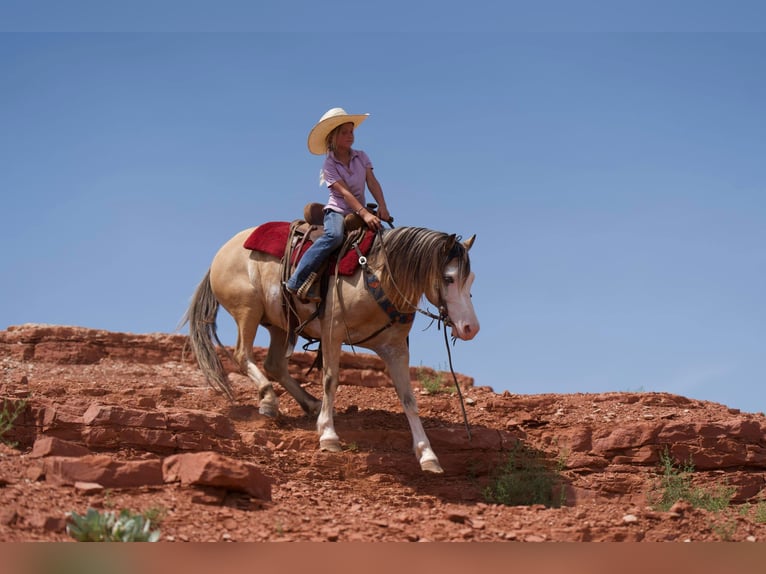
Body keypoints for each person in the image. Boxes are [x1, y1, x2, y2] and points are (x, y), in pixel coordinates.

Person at [285, 107, 393, 301]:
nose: (350, 136)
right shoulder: (329, 165)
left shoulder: (362, 156)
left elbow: (372, 182)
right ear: (333, 136)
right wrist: (365, 214)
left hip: (360, 211)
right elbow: (344, 193)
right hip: (338, 211)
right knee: (334, 237)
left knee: (385, 240)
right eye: (344, 132)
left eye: (352, 132)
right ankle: (297, 279)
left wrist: (382, 206)